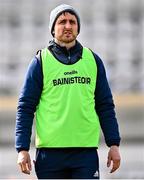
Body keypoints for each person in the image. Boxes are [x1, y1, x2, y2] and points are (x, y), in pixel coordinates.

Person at [15, 4, 121, 179]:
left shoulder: (93, 60)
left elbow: (105, 106)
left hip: (85, 154)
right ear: (52, 28)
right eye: (62, 21)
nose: (68, 26)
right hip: (50, 155)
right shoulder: (40, 62)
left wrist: (114, 144)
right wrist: (22, 149)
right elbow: (25, 108)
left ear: (78, 27)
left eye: (72, 21)